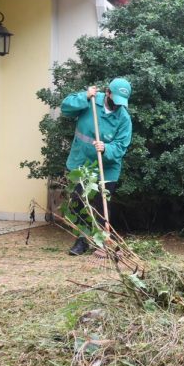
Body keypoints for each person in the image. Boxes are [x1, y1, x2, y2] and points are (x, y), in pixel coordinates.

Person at [61, 78, 133, 256]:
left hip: (107, 168)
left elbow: (121, 146)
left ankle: (101, 243)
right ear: (108, 92)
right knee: (79, 202)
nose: (118, 105)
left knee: (101, 206)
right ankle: (83, 240)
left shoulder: (124, 118)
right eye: (115, 100)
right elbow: (65, 108)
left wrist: (106, 148)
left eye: (121, 102)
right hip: (81, 162)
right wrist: (84, 96)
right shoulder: (91, 100)